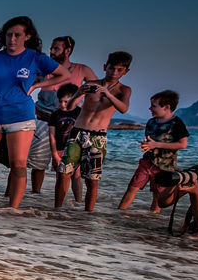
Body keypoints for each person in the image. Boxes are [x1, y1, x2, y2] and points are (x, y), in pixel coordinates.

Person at [0, 16, 74, 211]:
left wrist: (37, 85)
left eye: (17, 35)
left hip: (21, 116)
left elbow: (65, 74)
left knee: (18, 165)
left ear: (27, 36)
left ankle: (13, 210)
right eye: (8, 35)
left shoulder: (34, 58)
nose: (12, 39)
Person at [56, 51, 132, 211]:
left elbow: (124, 109)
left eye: (119, 70)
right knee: (63, 173)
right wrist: (79, 92)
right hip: (77, 133)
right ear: (105, 67)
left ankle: (87, 216)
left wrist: (108, 94)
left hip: (98, 137)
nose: (114, 72)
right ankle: (57, 210)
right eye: (111, 68)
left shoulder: (123, 90)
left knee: (92, 179)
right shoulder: (91, 84)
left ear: (126, 71)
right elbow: (69, 107)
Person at [25, 36, 93, 193]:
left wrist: (84, 108)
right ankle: (36, 198)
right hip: (43, 121)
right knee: (38, 165)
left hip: (69, 125)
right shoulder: (44, 68)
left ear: (67, 51)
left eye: (56, 48)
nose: (51, 51)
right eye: (51, 48)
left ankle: (74, 207)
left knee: (72, 170)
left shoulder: (82, 70)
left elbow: (97, 91)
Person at [119, 90, 189, 212]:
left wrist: (155, 144)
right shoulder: (151, 122)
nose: (150, 108)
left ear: (166, 107)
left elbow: (182, 144)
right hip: (146, 162)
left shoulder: (176, 123)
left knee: (157, 194)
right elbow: (150, 141)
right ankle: (119, 213)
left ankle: (152, 219)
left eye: (153, 106)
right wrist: (147, 144)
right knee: (132, 187)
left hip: (164, 166)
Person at [45, 84, 83, 206]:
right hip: (60, 150)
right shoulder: (55, 115)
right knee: (61, 177)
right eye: (60, 101)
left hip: (76, 149)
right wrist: (54, 154)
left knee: (76, 176)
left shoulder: (80, 113)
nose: (62, 105)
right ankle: (61, 204)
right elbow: (51, 136)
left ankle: (78, 202)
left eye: (66, 101)